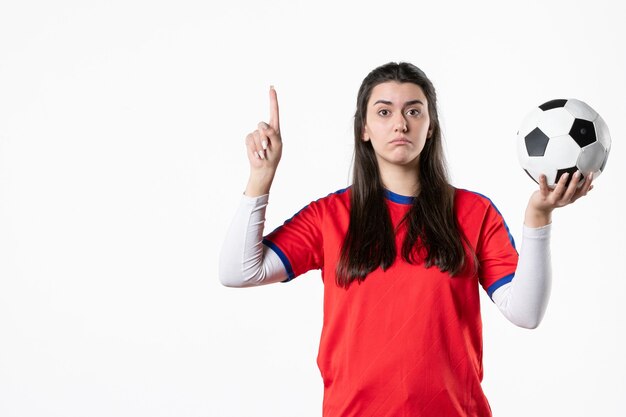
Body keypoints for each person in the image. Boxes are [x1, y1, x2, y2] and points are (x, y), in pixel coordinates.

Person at [218, 62, 593, 417]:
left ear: (430, 126)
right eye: (384, 112)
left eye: (414, 111)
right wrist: (261, 176)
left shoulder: (473, 212)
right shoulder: (329, 215)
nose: (400, 123)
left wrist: (538, 218)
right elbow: (238, 271)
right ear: (363, 128)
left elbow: (525, 313)